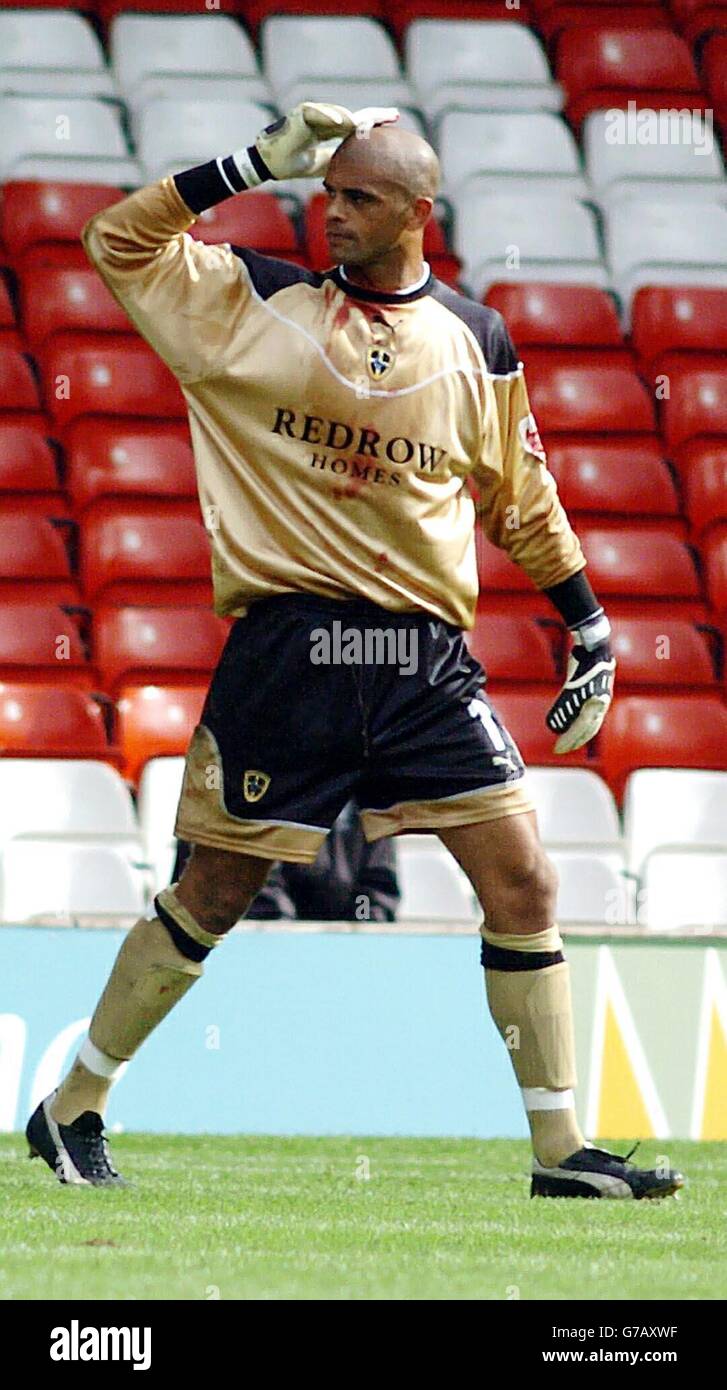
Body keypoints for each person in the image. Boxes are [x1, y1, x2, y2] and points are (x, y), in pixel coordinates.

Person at [27, 103, 683, 1199]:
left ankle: (559, 1152)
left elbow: (521, 500)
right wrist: (243, 165)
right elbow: (113, 242)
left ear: (419, 212)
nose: (332, 212)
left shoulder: (478, 341)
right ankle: (73, 1102)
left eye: (359, 198)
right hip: (291, 652)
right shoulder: (253, 298)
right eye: (327, 193)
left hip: (427, 661)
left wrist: (589, 625)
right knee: (215, 891)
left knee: (523, 876)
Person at [174, 800, 400, 921]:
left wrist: (360, 933)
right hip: (245, 954)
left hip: (338, 958)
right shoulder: (239, 783)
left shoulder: (366, 797)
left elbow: (375, 893)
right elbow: (259, 901)